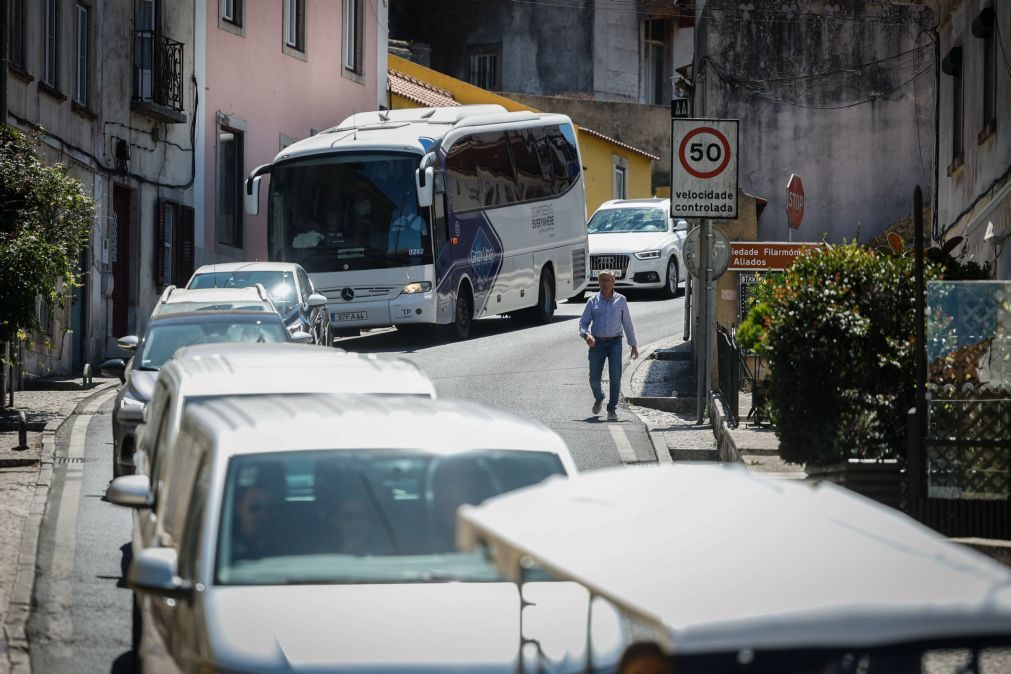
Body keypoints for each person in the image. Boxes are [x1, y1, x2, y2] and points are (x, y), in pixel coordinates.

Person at [578, 270, 638, 421]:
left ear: (614, 282)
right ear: (598, 282)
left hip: (615, 342)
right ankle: (599, 397)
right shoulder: (592, 301)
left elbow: (627, 324)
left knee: (615, 376)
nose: (605, 283)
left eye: (608, 280)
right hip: (597, 343)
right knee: (593, 379)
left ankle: (612, 408)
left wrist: (633, 345)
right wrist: (587, 335)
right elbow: (583, 323)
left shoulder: (621, 300)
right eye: (602, 280)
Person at [231, 463, 285, 561]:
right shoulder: (226, 548)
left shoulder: (287, 546)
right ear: (239, 509)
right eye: (254, 508)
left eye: (270, 510)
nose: (262, 516)